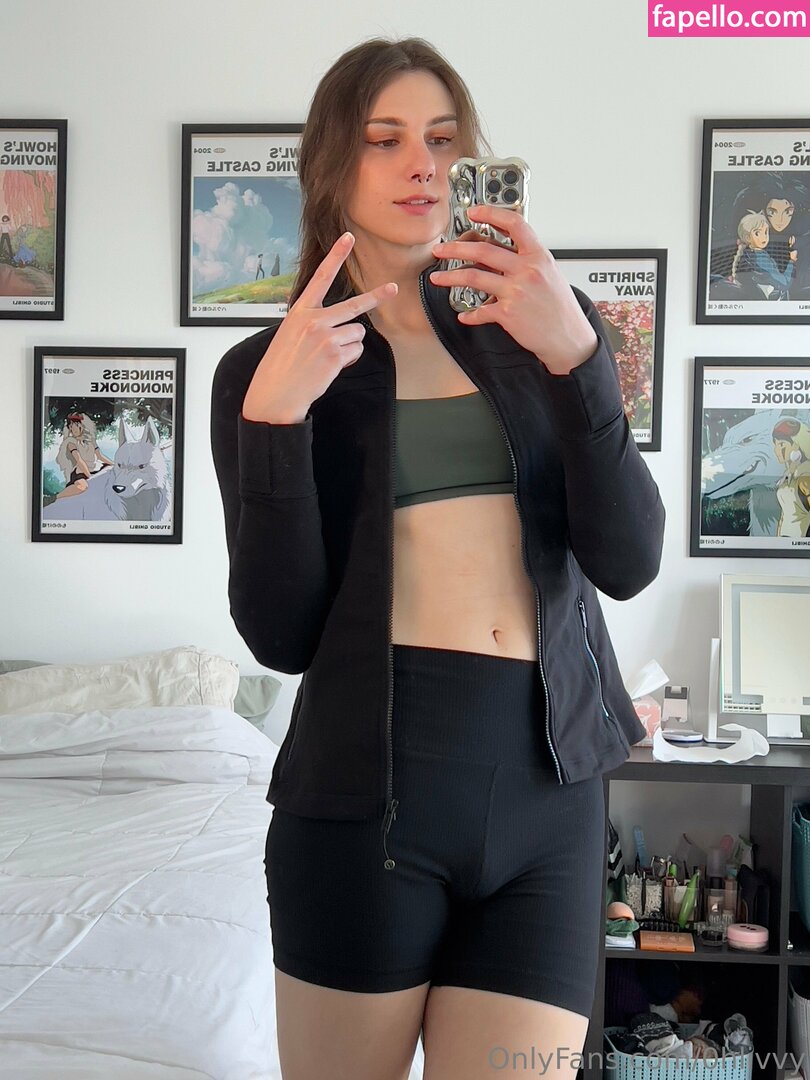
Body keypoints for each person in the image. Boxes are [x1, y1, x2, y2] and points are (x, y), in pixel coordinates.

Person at [210, 37, 665, 1080]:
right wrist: (275, 420)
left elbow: (630, 559)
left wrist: (579, 360)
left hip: (550, 794)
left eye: (443, 138)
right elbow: (280, 633)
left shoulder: (545, 331)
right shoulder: (264, 367)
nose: (422, 163)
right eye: (385, 139)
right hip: (363, 803)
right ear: (332, 164)